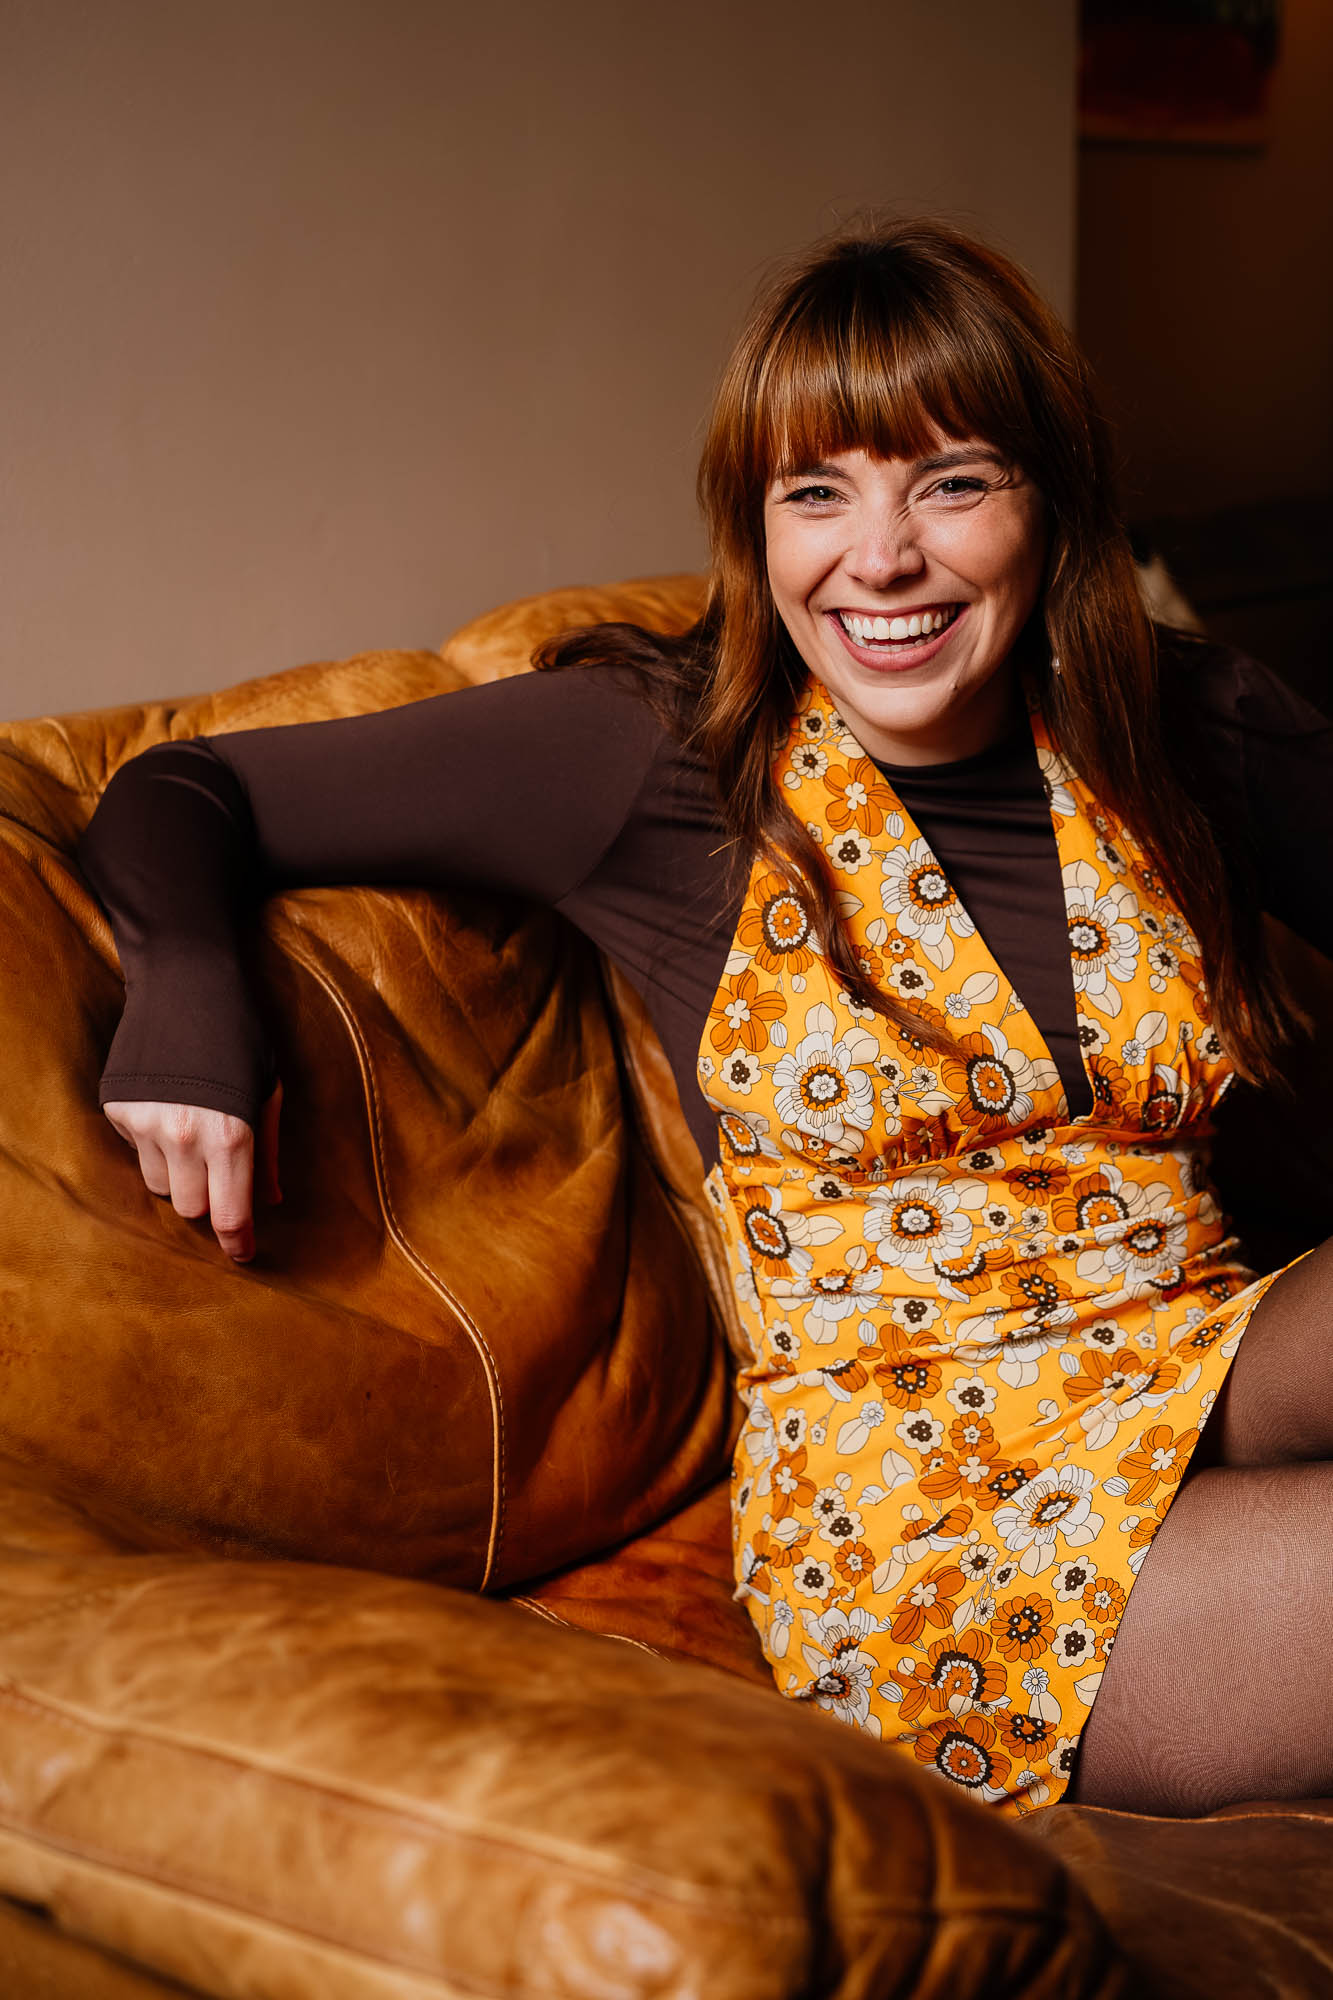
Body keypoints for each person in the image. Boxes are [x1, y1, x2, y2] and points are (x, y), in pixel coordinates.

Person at [75, 219, 1333, 1821]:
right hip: (926, 1510)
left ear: (1053, 504)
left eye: (951, 481)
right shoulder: (651, 756)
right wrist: (185, 1000)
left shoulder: (1178, 720)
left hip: (1199, 1340)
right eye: (816, 492)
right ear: (756, 528)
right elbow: (187, 788)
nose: (877, 558)